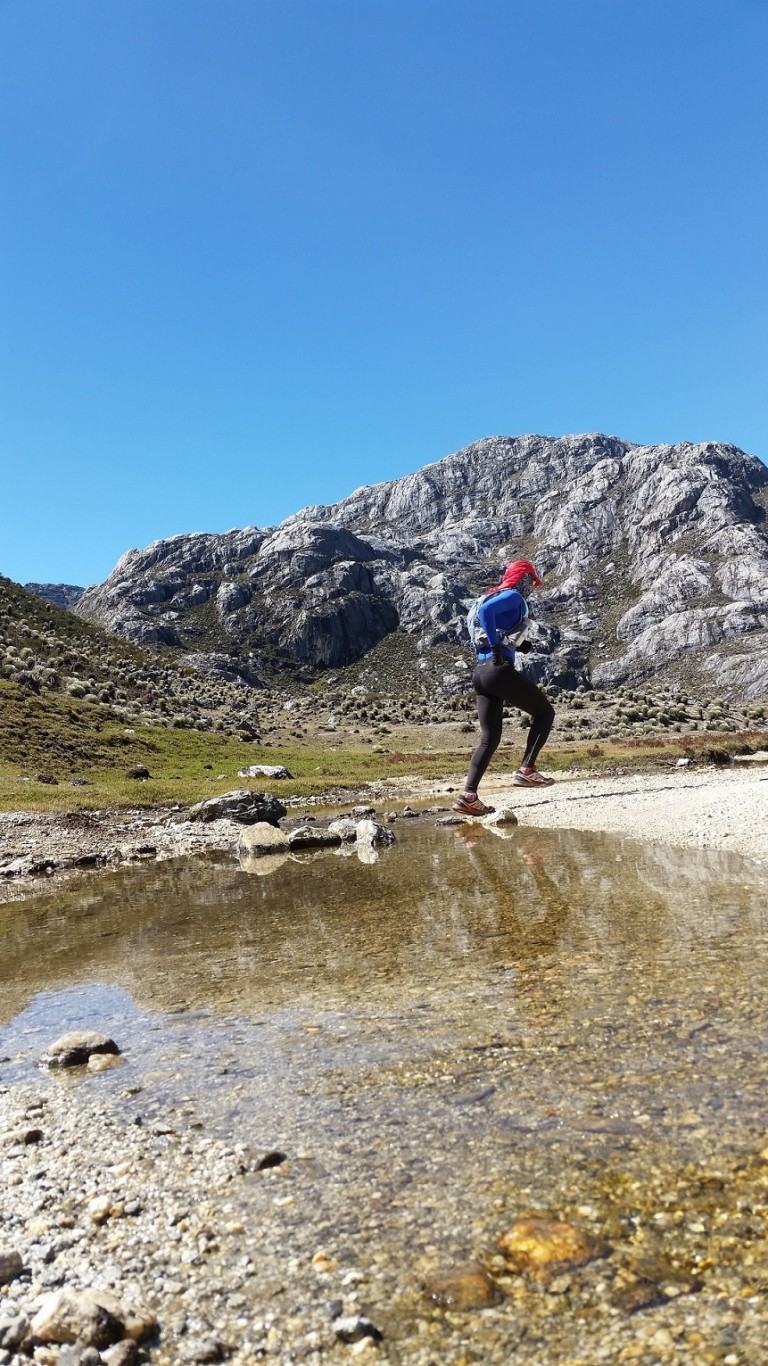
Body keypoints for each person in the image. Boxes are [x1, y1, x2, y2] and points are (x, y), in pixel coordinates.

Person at [453, 558, 555, 816]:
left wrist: (517, 645)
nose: (532, 587)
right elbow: (488, 616)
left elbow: (486, 628)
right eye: (531, 581)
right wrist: (498, 648)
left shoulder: (484, 598)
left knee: (490, 738)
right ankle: (527, 770)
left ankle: (468, 796)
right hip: (498, 669)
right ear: (523, 577)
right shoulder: (513, 596)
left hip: (481, 672)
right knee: (545, 713)